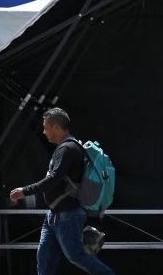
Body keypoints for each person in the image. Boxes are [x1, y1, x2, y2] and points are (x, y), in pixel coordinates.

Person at [10, 108, 115, 275]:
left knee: (77, 256)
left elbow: (54, 179)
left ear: (57, 127)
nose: (44, 132)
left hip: (68, 215)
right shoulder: (66, 148)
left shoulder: (67, 149)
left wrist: (25, 191)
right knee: (44, 258)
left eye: (46, 127)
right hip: (54, 215)